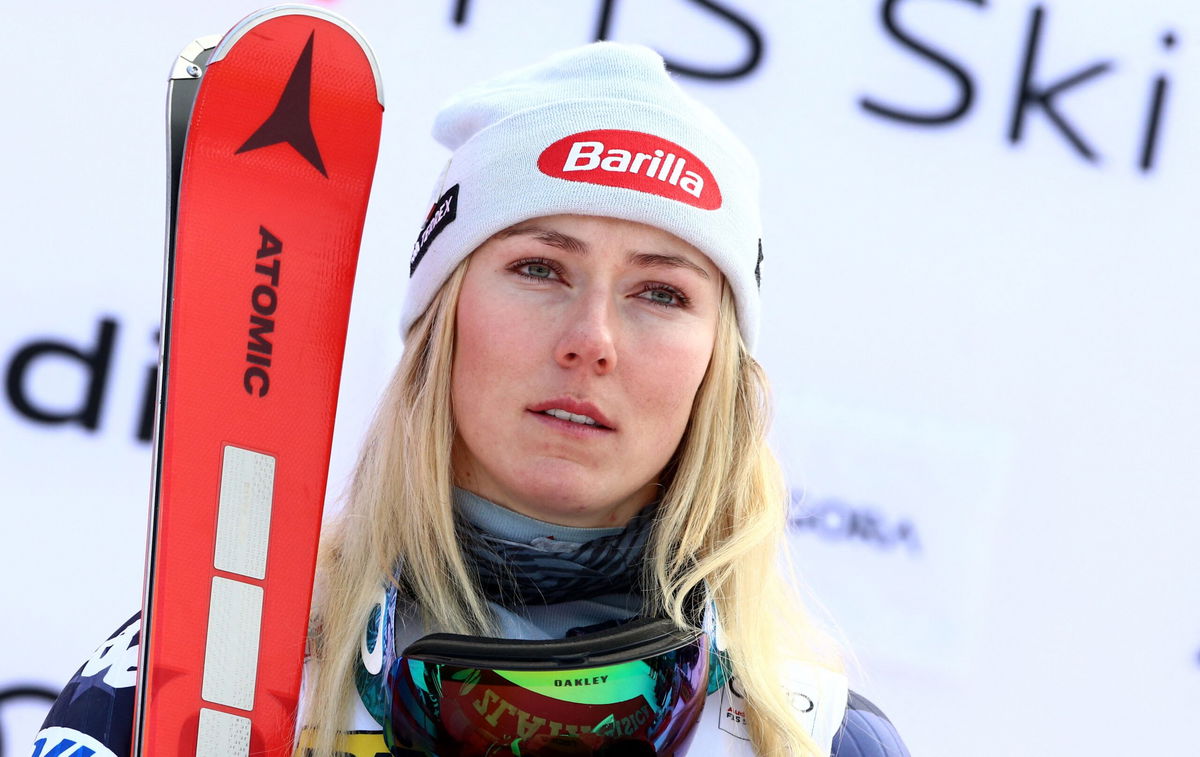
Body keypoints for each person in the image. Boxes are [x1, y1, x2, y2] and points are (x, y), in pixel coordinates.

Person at [34, 43, 909, 757]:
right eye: (539, 268)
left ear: (717, 364)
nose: (591, 337)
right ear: (443, 318)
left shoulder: (813, 735)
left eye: (661, 292)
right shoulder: (203, 674)